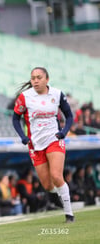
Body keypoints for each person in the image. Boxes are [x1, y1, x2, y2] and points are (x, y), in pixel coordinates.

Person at [12, 67, 75, 223]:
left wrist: (64, 132)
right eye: (33, 78)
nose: (35, 80)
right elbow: (15, 119)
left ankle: (69, 214)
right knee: (47, 185)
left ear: (47, 79)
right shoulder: (24, 97)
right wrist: (23, 137)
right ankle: (62, 192)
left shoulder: (57, 94)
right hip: (35, 144)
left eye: (39, 77)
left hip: (54, 139)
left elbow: (69, 116)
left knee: (56, 175)